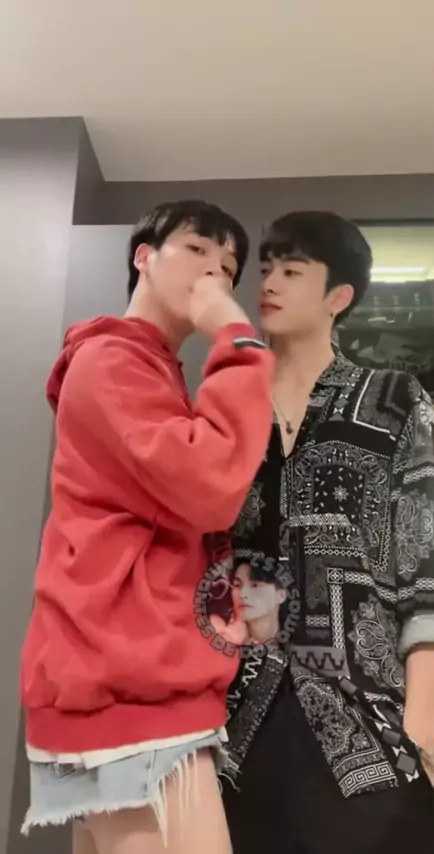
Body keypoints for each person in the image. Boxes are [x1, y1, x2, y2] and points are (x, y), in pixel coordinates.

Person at [19, 199, 274, 854]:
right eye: (197, 250)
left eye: (228, 267)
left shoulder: (146, 369)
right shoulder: (112, 361)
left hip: (120, 685)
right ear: (144, 257)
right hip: (130, 694)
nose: (215, 273)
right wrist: (238, 339)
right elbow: (211, 485)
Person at [221, 211, 434, 854]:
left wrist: (422, 729)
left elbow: (428, 569)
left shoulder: (392, 398)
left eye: (291, 270)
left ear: (339, 296)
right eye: (266, 268)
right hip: (235, 726)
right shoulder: (226, 406)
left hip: (367, 720)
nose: (268, 282)